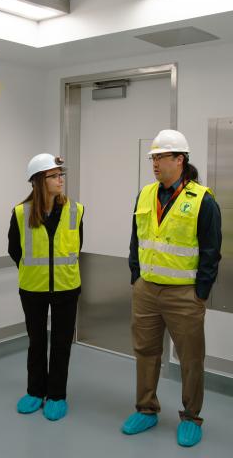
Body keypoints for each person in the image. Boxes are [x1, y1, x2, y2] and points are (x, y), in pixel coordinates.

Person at [122, 129, 222, 447]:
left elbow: (211, 251)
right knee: (146, 352)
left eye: (161, 157)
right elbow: (136, 240)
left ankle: (191, 416)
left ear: (179, 160)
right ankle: (146, 409)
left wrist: (200, 292)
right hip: (147, 290)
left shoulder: (202, 200)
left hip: (184, 294)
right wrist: (136, 276)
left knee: (191, 359)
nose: (155, 163)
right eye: (153, 157)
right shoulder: (146, 194)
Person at [8, 153, 83, 421]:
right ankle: (35, 391)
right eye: (54, 175)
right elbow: (14, 250)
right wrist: (36, 272)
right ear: (39, 181)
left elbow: (77, 246)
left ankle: (57, 395)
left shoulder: (76, 210)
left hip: (66, 288)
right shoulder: (20, 213)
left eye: (61, 174)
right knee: (36, 342)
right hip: (33, 289)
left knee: (61, 344)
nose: (60, 179)